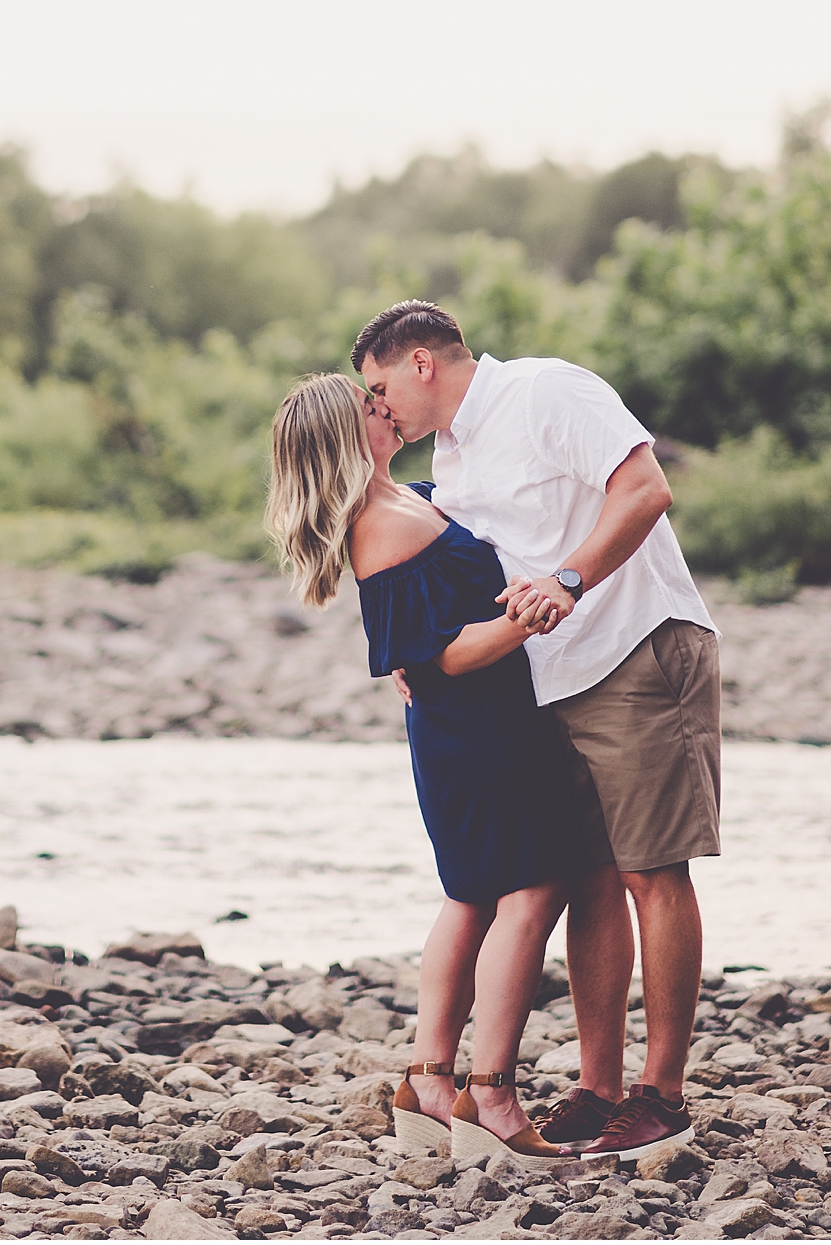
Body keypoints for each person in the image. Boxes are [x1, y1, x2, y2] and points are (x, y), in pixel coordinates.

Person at [353, 300, 719, 1162]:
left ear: (421, 363)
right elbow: (441, 564)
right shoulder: (450, 458)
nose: (378, 409)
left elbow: (647, 490)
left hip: (636, 647)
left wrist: (569, 579)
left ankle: (661, 1095)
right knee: (588, 874)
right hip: (550, 680)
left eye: (378, 387)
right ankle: (597, 1092)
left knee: (651, 870)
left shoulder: (548, 392)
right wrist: (415, 649)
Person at [267, 372, 596, 1167]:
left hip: (480, 723)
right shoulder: (377, 523)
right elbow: (436, 655)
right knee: (535, 885)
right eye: (370, 410)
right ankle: (491, 1093)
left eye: (379, 400)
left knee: (474, 892)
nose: (387, 412)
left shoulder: (407, 496)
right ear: (346, 439)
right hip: (476, 726)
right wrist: (528, 615)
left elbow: (417, 637)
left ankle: (426, 1078)